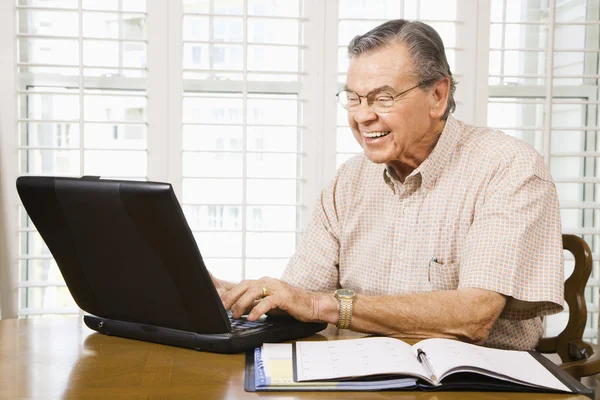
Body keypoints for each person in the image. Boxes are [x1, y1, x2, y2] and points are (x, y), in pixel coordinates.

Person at [212, 19, 564, 350]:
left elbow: (476, 315)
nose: (363, 116)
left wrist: (324, 305)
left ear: (437, 96)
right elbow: (302, 297)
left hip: (476, 385)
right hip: (362, 374)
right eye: (354, 98)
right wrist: (228, 295)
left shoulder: (508, 167)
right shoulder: (348, 181)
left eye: (383, 98)